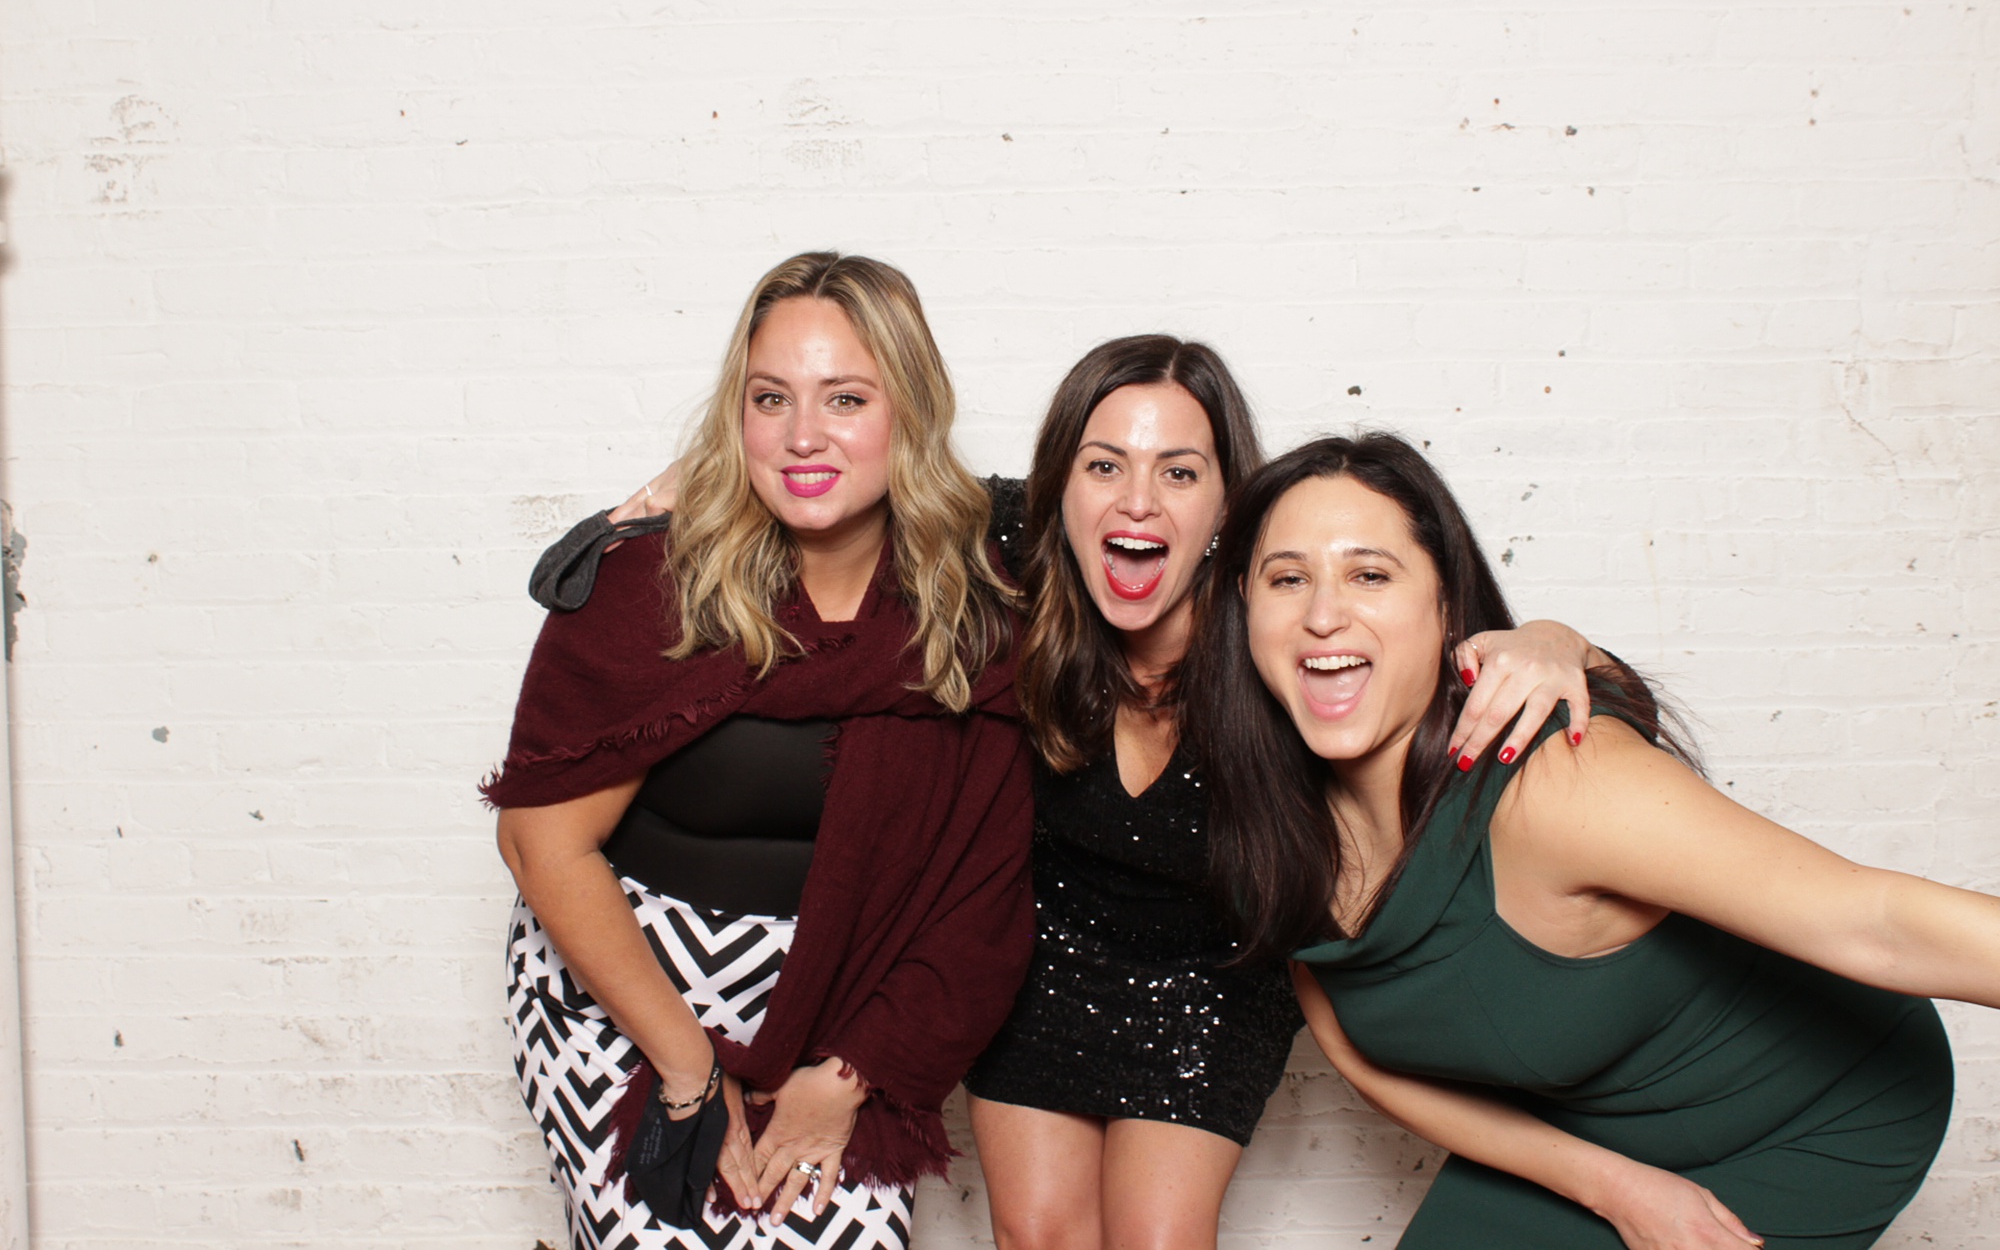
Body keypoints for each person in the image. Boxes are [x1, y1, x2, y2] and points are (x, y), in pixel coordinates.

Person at [540, 339, 1610, 1250]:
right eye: (1105, 465)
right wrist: (705, 475)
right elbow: (861, 480)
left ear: (1227, 504)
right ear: (1059, 488)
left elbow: (1505, 668)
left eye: (1178, 471)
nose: (1136, 498)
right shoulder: (1008, 574)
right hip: (1039, 963)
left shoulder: (1286, 625)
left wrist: (1556, 641)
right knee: (1039, 1236)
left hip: (1213, 980)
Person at [1191, 432, 1997, 1249]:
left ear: (1445, 605)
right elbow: (1362, 1058)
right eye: (1287, 578)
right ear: (1244, 612)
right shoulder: (1275, 830)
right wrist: (1612, 1185)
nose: (1324, 613)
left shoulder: (1553, 788)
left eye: (1370, 573)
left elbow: (1876, 919)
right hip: (1598, 1123)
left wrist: (1562, 640)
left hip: (1820, 1105)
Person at [484, 251, 1037, 1250]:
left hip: (843, 1004)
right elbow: (540, 846)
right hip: (622, 990)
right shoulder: (647, 583)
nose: (801, 435)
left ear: (907, 412)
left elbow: (979, 893)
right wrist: (688, 1067)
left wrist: (843, 1080)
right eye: (769, 398)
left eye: (845, 398)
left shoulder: (970, 612)